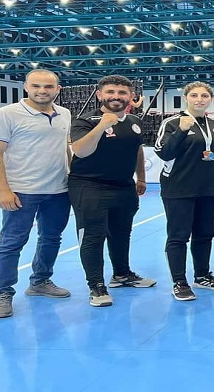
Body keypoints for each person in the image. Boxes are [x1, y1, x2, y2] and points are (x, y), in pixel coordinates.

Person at [0, 69, 72, 318]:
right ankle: (2, 292)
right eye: (36, 86)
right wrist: (3, 189)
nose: (42, 91)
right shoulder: (5, 115)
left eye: (48, 86)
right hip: (22, 191)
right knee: (11, 243)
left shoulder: (64, 113)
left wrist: (73, 176)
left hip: (59, 190)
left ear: (58, 89)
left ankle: (40, 281)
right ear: (26, 87)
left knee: (51, 238)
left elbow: (64, 149)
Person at [69, 74, 156, 307]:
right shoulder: (85, 121)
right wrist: (102, 126)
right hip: (89, 186)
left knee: (121, 233)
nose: (116, 96)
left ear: (130, 96)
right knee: (93, 236)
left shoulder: (134, 121)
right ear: (100, 95)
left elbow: (137, 149)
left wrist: (141, 177)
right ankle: (96, 285)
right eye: (110, 92)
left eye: (121, 93)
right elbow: (80, 150)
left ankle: (122, 274)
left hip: (124, 186)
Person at [153, 81, 214, 301]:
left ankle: (202, 275)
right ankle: (179, 281)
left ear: (211, 99)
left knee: (205, 234)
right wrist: (181, 130)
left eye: (204, 96)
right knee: (178, 236)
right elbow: (163, 153)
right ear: (186, 98)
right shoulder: (172, 122)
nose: (199, 99)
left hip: (209, 189)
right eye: (194, 95)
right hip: (179, 188)